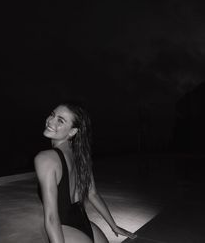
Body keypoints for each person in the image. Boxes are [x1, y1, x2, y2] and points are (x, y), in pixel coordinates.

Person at [34, 102, 137, 243]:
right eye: (52, 114)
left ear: (72, 132)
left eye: (60, 120)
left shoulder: (45, 158)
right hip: (86, 225)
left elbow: (52, 217)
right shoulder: (80, 157)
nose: (51, 121)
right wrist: (114, 226)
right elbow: (93, 194)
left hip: (65, 229)